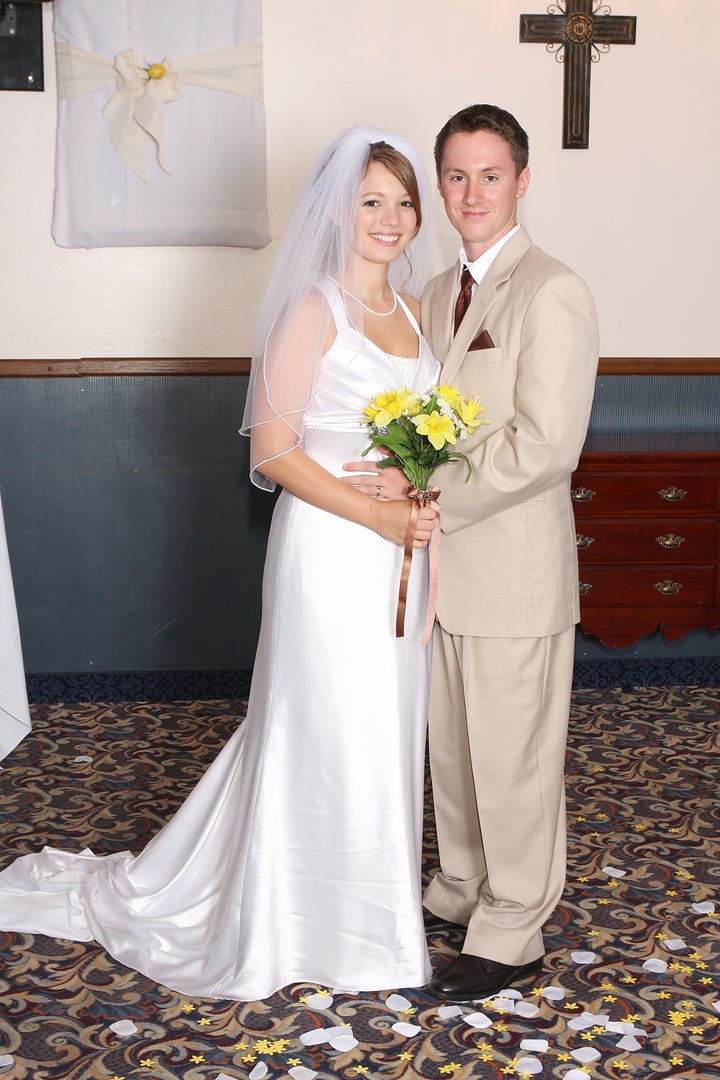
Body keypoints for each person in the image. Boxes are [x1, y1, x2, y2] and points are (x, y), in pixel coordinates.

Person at [0, 127, 440, 1002]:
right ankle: (294, 921)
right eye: (370, 201)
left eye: (401, 201)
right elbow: (274, 453)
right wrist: (378, 516)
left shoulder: (419, 310)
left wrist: (421, 497)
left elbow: (429, 436)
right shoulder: (314, 308)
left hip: (403, 550)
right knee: (320, 721)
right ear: (336, 211)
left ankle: (365, 916)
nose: (389, 219)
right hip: (331, 547)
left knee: (383, 725)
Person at [344, 104, 598, 1002]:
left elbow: (546, 443)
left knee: (512, 756)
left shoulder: (550, 289)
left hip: (515, 572)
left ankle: (513, 926)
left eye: (490, 175)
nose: (471, 192)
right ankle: (459, 885)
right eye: (455, 176)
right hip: (442, 571)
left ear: (522, 181)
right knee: (451, 749)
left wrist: (428, 492)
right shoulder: (431, 293)